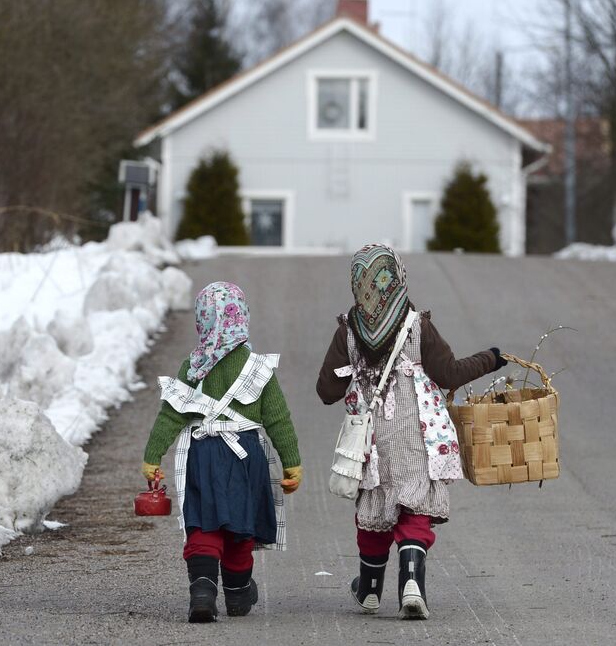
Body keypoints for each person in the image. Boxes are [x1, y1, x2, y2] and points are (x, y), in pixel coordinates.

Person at [316, 244, 507, 619]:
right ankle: (412, 583)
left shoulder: (348, 333)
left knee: (374, 505)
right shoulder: (418, 325)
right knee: (414, 505)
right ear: (398, 278)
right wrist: (491, 357)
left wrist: (354, 374)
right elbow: (450, 373)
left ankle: (370, 588)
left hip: (373, 440)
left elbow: (327, 391)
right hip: (418, 433)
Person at [142, 281, 301, 623]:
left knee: (203, 520)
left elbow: (171, 414)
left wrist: (153, 457)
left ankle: (202, 590)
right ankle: (237, 592)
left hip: (204, 454)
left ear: (202, 323)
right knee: (240, 523)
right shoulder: (257, 368)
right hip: (246, 457)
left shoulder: (193, 367)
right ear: (241, 318)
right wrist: (292, 463)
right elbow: (278, 419)